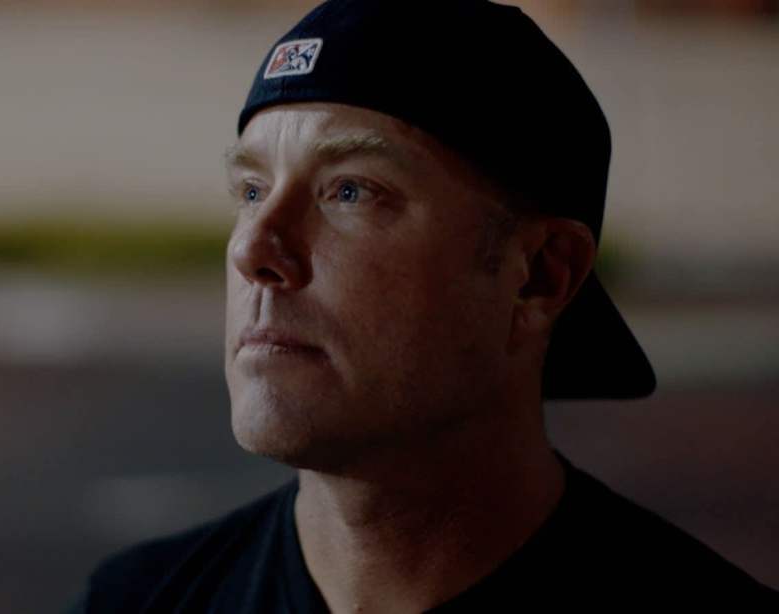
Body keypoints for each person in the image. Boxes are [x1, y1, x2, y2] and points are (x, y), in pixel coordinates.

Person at [70, 1, 779, 611]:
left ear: (539, 276)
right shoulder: (133, 600)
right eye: (252, 191)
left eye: (351, 191)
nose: (254, 248)